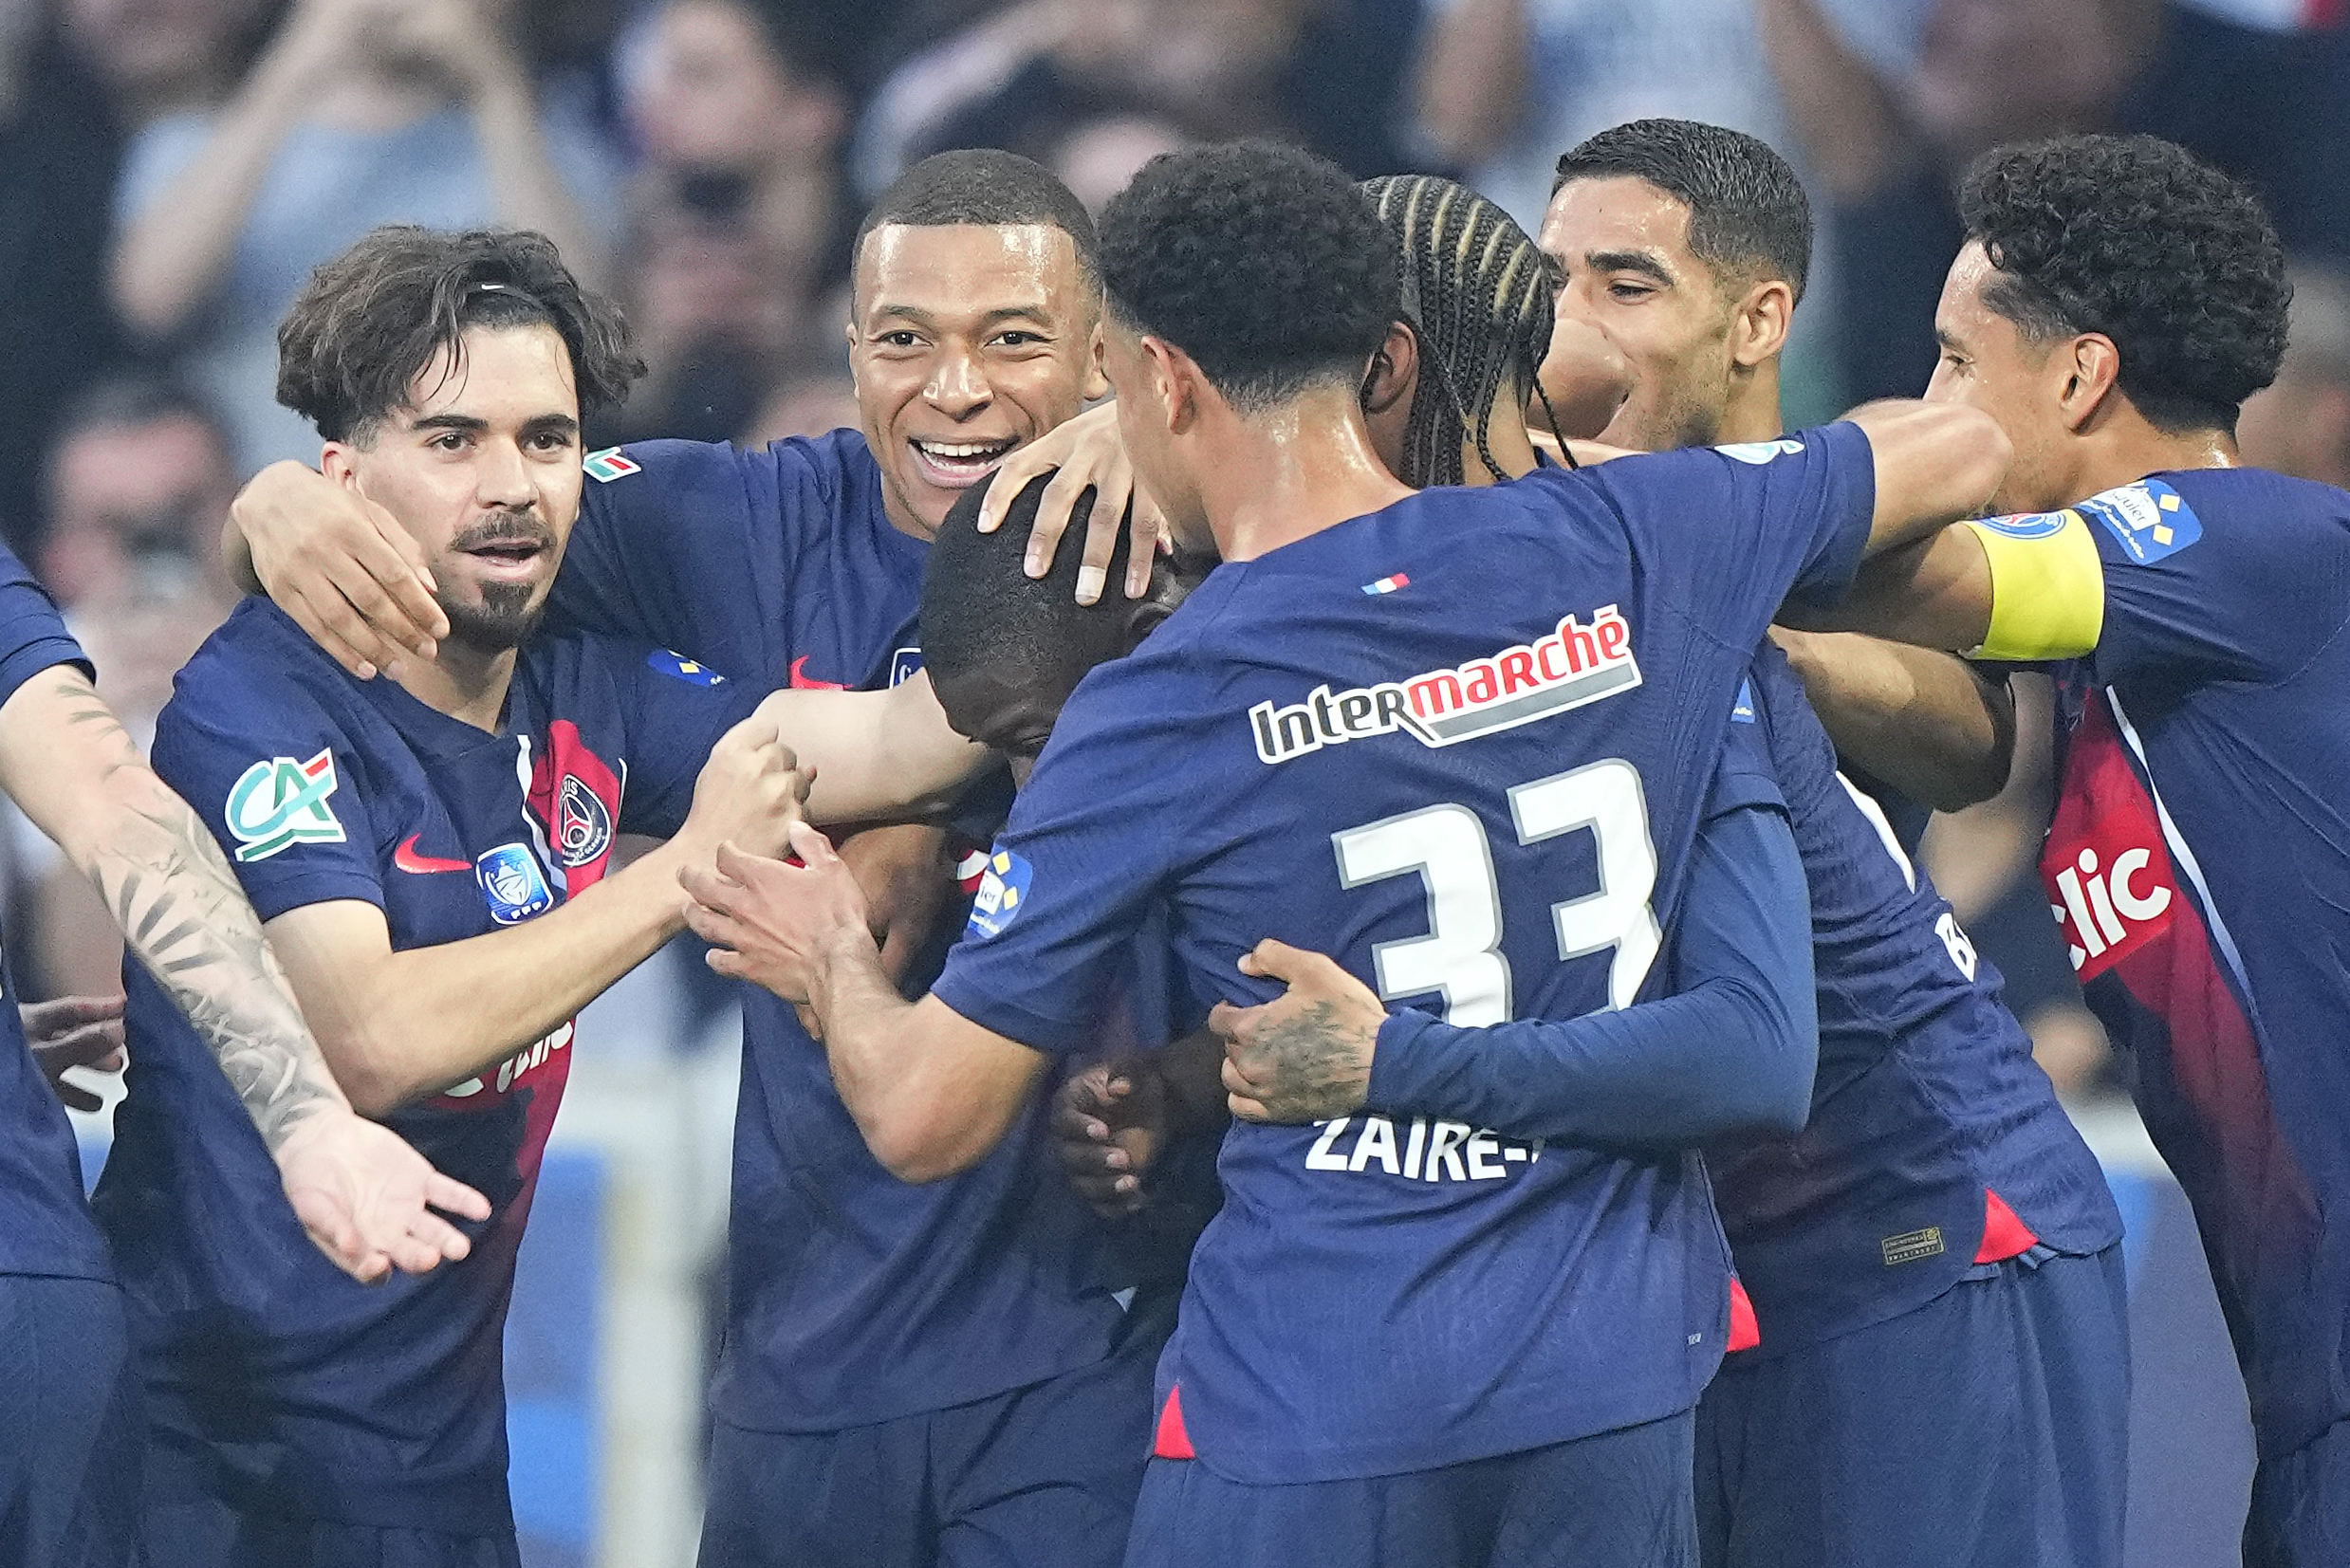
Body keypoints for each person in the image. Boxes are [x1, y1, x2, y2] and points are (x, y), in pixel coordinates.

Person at [679, 141, 2009, 1566]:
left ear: (1159, 382)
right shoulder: (1635, 534)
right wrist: (1598, 487)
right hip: (1606, 1393)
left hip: (1310, 1403)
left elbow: (923, 1114)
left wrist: (828, 961)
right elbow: (1967, 449)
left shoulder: (1163, 697)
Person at [222, 152, 1175, 1568]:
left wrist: (1169, 443)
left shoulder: (1199, 532)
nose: (956, 390)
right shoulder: (736, 523)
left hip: (1103, 1333)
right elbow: (433, 531)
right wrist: (271, 511)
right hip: (810, 1359)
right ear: (847, 352)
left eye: (1013, 340)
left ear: (1107, 357)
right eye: (905, 340)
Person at [88, 223, 891, 1568]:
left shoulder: (592, 686)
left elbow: (895, 744)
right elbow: (369, 1037)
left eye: (547, 439)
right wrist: (680, 872)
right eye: (453, 440)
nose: (511, 485)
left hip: (437, 1468)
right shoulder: (255, 703)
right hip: (207, 1464)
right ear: (344, 481)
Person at [1809, 132, 2350, 1568]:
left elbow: (1930, 576)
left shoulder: (2250, 543)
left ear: (2078, 377)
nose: (1931, 405)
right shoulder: (2130, 672)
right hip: (2301, 1396)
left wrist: (1633, 521)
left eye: (1952, 363)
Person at [110, 0, 621, 472]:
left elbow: (589, 327)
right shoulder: (192, 143)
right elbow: (151, 301)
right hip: (262, 501)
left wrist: (497, 87)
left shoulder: (550, 145)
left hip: (472, 499)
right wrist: (292, 68)